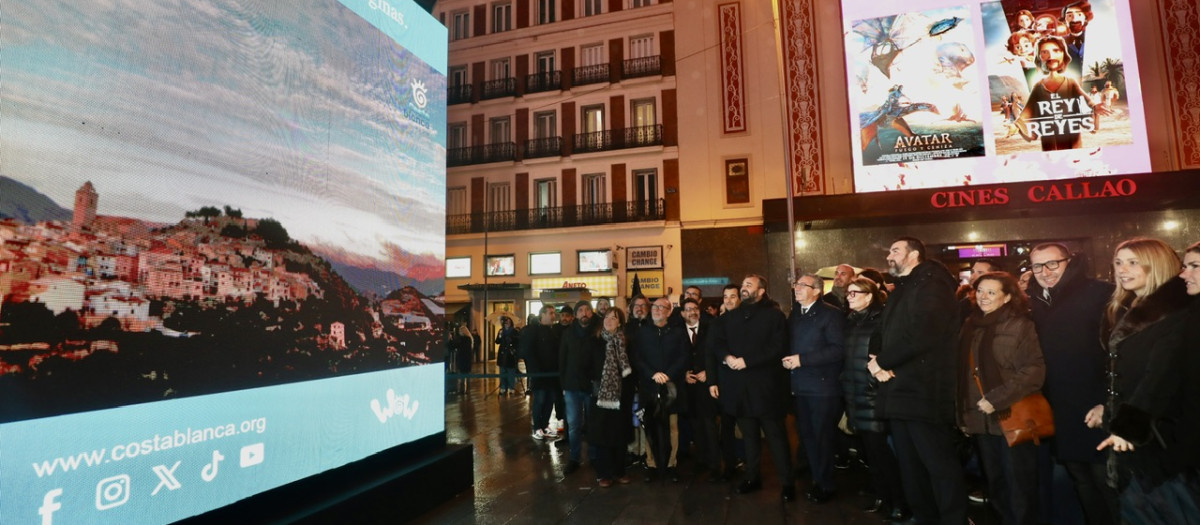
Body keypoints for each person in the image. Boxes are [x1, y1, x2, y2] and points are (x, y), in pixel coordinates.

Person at [1095, 238, 1198, 523]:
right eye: (1118, 263)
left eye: (1133, 262)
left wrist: (1128, 427)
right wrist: (1105, 408)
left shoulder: (1177, 312)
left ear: (1156, 265)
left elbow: (1160, 377)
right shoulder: (1125, 307)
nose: (1122, 270)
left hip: (1162, 439)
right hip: (1133, 437)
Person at [868, 237, 967, 524]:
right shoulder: (904, 287)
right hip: (900, 390)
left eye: (895, 250)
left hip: (925, 391)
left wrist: (883, 362)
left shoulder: (932, 285)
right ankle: (924, 517)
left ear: (914, 255)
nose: (889, 256)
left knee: (938, 464)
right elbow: (882, 330)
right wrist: (876, 360)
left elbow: (925, 333)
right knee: (910, 466)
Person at [1026, 242, 1118, 525]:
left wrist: (1108, 400)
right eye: (1038, 266)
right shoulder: (1036, 299)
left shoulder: (1099, 293)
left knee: (1105, 479)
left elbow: (1118, 349)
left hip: (1095, 402)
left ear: (1069, 261)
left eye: (1052, 263)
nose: (1045, 272)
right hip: (1061, 405)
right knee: (1080, 477)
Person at [957, 272, 1045, 525]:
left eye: (991, 292)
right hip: (980, 420)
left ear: (1007, 297)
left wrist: (997, 399)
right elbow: (963, 375)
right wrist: (963, 415)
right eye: (979, 291)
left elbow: (1034, 371)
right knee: (995, 484)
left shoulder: (1020, 326)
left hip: (1012, 416)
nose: (983, 297)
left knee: (1019, 486)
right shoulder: (970, 326)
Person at [709, 275, 795, 501]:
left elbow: (778, 347)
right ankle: (752, 477)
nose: (744, 288)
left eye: (749, 285)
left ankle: (787, 483)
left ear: (761, 290)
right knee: (749, 437)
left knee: (776, 437)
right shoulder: (730, 317)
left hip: (766, 388)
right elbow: (717, 343)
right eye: (743, 284)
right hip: (738, 388)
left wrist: (748, 361)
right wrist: (727, 357)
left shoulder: (774, 316)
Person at [841, 277, 908, 521]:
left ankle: (899, 502)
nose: (849, 297)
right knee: (871, 453)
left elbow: (886, 356)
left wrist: (875, 382)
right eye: (848, 293)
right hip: (854, 392)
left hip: (874, 394)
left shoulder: (882, 320)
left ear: (869, 296)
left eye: (854, 293)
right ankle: (883, 495)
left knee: (883, 453)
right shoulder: (851, 321)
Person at [784, 273, 845, 503]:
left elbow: (838, 350)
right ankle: (817, 479)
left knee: (822, 438)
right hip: (800, 388)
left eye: (803, 285)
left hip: (823, 389)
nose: (797, 288)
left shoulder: (831, 314)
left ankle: (826, 485)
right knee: (807, 436)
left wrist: (802, 360)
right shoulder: (796, 314)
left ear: (817, 291)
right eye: (796, 284)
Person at [634, 297, 689, 483]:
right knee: (650, 425)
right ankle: (652, 465)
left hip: (671, 387)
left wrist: (667, 374)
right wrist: (653, 374)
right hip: (649, 385)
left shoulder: (678, 332)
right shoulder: (643, 332)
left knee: (672, 428)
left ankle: (671, 465)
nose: (657, 309)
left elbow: (684, 357)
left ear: (669, 312)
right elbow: (637, 358)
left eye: (661, 307)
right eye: (654, 306)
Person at [1014, 36, 1093, 151]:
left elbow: (1085, 99)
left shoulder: (1070, 82)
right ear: (1039, 57)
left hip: (1071, 135)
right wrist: (1016, 126)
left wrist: (1095, 107)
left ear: (1063, 54)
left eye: (1056, 50)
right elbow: (1029, 110)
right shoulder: (1038, 86)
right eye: (1044, 52)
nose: (1050, 56)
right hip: (1049, 138)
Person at [590, 307, 634, 488]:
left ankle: (619, 471)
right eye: (606, 317)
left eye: (613, 318)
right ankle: (604, 473)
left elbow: (632, 369)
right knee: (602, 435)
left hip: (622, 395)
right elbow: (586, 366)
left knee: (619, 433)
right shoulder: (595, 341)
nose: (609, 321)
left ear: (620, 322)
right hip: (600, 396)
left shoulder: (626, 342)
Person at [707, 284, 744, 482]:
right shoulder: (717, 323)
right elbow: (710, 354)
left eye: (733, 296)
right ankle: (729, 466)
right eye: (726, 297)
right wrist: (712, 382)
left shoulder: (748, 320)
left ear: (740, 298)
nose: (728, 300)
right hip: (724, 383)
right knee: (727, 427)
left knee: (748, 427)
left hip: (746, 383)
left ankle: (749, 464)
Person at [681, 298, 720, 477]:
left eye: (695, 308)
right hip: (688, 388)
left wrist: (709, 373)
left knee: (710, 425)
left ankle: (715, 464)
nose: (692, 312)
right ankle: (702, 460)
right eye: (688, 309)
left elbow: (718, 354)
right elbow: (674, 356)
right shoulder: (678, 332)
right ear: (683, 313)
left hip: (707, 386)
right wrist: (683, 374)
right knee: (695, 426)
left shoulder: (710, 328)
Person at [560, 301, 599, 474]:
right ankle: (574, 458)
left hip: (591, 385)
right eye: (581, 310)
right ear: (575, 315)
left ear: (592, 313)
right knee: (574, 424)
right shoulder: (568, 333)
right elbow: (562, 359)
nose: (584, 313)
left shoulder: (597, 332)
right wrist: (563, 384)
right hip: (572, 386)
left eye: (587, 310)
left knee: (593, 423)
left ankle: (594, 456)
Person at [522, 305, 563, 441]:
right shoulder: (534, 331)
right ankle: (537, 427)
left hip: (551, 374)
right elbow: (529, 352)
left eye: (554, 313)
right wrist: (535, 370)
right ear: (542, 315)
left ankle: (544, 425)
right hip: (540, 373)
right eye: (550, 313)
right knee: (540, 400)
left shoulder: (553, 331)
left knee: (550, 400)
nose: (553, 316)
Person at [495, 316, 520, 395]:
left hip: (510, 353)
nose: (507, 323)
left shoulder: (514, 331)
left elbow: (517, 341)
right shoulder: (501, 331)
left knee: (511, 371)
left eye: (509, 322)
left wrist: (512, 340)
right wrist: (499, 336)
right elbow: (497, 341)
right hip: (502, 353)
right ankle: (503, 388)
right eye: (506, 322)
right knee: (502, 371)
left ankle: (511, 388)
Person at [452, 324, 474, 394]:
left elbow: (455, 345)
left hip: (462, 358)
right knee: (467, 373)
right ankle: (467, 389)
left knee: (462, 374)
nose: (459, 332)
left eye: (460, 331)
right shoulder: (469, 339)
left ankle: (462, 389)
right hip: (467, 358)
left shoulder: (462, 339)